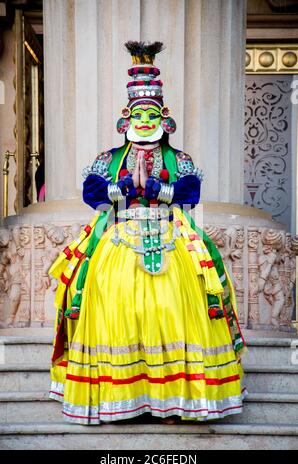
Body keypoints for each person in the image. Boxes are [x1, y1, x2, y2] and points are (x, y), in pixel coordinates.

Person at [48, 41, 247, 425]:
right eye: (137, 113)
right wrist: (124, 187)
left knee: (171, 312)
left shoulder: (180, 158)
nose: (143, 120)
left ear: (164, 118)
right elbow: (92, 192)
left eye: (150, 113)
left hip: (171, 241)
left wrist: (156, 189)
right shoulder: (109, 159)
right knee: (116, 311)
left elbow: (191, 192)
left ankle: (172, 401)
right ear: (125, 119)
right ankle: (120, 399)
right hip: (119, 239)